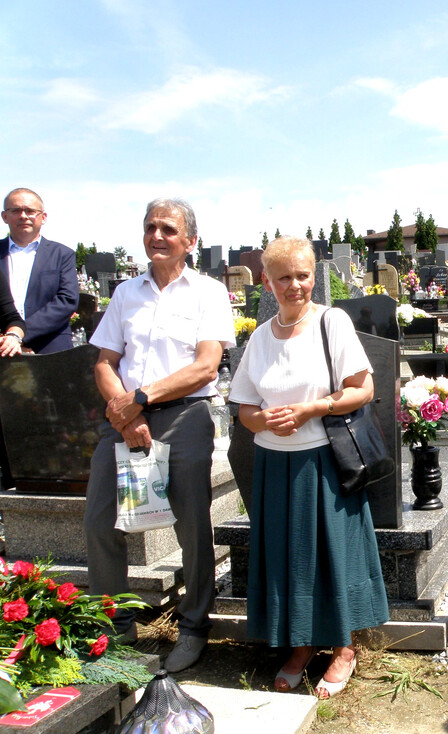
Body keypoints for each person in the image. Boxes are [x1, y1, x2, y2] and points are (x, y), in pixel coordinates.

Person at [229, 237, 389, 698]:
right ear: (267, 282)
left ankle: (343, 648)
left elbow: (362, 389)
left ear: (314, 277)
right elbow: (245, 408)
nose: (295, 285)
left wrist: (310, 410)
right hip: (274, 464)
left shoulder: (330, 322)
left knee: (333, 554)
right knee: (289, 558)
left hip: (324, 459)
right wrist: (266, 421)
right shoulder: (260, 337)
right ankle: (299, 646)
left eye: (303, 276)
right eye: (284, 277)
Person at [83, 198, 235, 673]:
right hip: (124, 419)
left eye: (168, 229)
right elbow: (105, 362)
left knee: (191, 527)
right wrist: (126, 414)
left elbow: (206, 366)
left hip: (184, 417)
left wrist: (142, 398)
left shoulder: (208, 292)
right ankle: (116, 627)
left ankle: (193, 626)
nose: (157, 236)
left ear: (190, 240)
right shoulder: (126, 293)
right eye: (150, 227)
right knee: (99, 520)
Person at [0, 188, 79, 354]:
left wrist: (18, 335)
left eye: (30, 211)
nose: (23, 216)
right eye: (15, 210)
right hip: (2, 346)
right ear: (4, 216)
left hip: (50, 348)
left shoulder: (62, 254)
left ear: (43, 217)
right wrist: (6, 339)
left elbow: (67, 300)